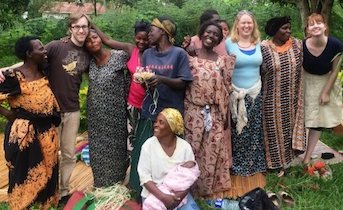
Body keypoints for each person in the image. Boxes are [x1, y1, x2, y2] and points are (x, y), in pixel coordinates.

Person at [129, 16, 193, 197]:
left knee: (168, 154)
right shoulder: (148, 53)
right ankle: (139, 190)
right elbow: (146, 79)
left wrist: (162, 79)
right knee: (144, 150)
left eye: (152, 30)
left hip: (171, 112)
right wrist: (143, 80)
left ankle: (171, 191)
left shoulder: (179, 53)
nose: (148, 34)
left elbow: (184, 83)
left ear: (163, 32)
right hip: (150, 109)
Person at [0, 36, 60, 209]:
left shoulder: (44, 70)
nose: (45, 51)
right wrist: (8, 114)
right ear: (29, 54)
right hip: (24, 134)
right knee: (24, 171)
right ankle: (22, 204)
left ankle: (45, 205)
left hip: (46, 131)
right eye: (40, 48)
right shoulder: (14, 77)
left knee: (49, 169)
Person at [184, 21, 234, 199]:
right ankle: (187, 187)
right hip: (191, 111)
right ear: (201, 33)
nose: (210, 36)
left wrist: (226, 116)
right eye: (208, 32)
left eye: (215, 35)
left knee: (211, 149)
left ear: (219, 39)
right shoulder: (189, 56)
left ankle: (206, 188)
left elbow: (226, 91)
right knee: (192, 149)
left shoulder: (222, 61)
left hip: (213, 112)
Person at [45, 13, 91, 202]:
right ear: (70, 29)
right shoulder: (57, 46)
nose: (81, 30)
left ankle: (63, 192)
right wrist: (5, 70)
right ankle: (47, 191)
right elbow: (30, 61)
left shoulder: (88, 53)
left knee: (69, 155)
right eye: (77, 26)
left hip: (72, 110)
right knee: (48, 154)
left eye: (84, 27)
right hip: (51, 111)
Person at [90, 20, 150, 150]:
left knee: (148, 140)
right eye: (138, 38)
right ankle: (133, 168)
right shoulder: (131, 50)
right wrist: (91, 24)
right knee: (133, 140)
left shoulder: (155, 53)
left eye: (145, 39)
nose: (142, 42)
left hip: (149, 105)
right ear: (135, 37)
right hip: (133, 104)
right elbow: (107, 41)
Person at [225, 10, 266, 198]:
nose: (246, 26)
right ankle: (238, 165)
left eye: (249, 23)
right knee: (237, 131)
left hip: (255, 93)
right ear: (237, 25)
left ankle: (252, 164)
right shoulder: (228, 44)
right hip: (236, 94)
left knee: (253, 129)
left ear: (253, 24)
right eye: (243, 23)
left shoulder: (259, 44)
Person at [84, 29, 129, 186]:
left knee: (117, 148)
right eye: (88, 41)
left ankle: (116, 183)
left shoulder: (118, 56)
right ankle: (101, 184)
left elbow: (134, 52)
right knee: (97, 150)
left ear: (101, 38)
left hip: (116, 114)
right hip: (95, 115)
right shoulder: (88, 63)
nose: (93, 42)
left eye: (95, 37)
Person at [261, 16, 306, 172]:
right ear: (275, 31)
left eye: (289, 27)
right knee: (273, 131)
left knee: (289, 130)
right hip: (271, 99)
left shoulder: (297, 45)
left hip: (292, 97)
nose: (289, 31)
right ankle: (273, 164)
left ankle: (288, 161)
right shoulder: (264, 47)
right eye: (284, 28)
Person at [137, 108, 199, 210]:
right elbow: (145, 178)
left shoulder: (184, 147)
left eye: (161, 123)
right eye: (156, 121)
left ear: (172, 127)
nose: (155, 125)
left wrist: (177, 199)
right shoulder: (148, 145)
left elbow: (190, 178)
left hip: (178, 196)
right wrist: (164, 198)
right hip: (154, 196)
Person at [302, 13, 343, 166]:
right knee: (303, 119)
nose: (316, 26)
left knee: (317, 121)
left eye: (319, 23)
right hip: (306, 81)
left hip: (326, 80)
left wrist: (326, 92)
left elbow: (335, 70)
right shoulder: (301, 45)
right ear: (307, 29)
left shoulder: (336, 45)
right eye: (311, 24)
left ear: (325, 26)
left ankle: (307, 157)